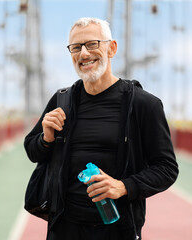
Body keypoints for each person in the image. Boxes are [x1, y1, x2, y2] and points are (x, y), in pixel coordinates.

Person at [24, 17, 179, 240]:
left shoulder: (144, 104)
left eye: (92, 44)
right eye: (76, 47)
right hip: (64, 228)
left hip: (117, 229)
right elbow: (32, 151)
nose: (84, 54)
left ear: (111, 48)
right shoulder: (61, 100)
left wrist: (124, 186)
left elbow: (167, 169)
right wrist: (46, 138)